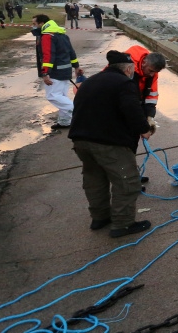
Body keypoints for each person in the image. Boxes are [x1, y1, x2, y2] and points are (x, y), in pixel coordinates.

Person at [69, 50, 153, 238]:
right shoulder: (124, 83)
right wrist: (144, 129)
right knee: (127, 180)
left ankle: (100, 217)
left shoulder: (91, 81)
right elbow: (132, 109)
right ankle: (123, 224)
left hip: (80, 140)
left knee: (94, 179)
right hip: (108, 142)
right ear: (129, 69)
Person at [32, 14, 83, 129]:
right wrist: (76, 66)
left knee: (53, 96)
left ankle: (78, 113)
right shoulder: (61, 34)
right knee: (62, 96)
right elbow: (71, 52)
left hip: (55, 72)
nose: (33, 26)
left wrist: (45, 73)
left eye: (34, 24)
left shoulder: (47, 36)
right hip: (65, 71)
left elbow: (48, 55)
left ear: (41, 24)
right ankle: (65, 122)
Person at [122, 46, 167, 121]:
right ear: (144, 63)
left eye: (155, 72)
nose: (152, 75)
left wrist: (149, 116)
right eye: (151, 71)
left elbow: (151, 97)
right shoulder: (126, 67)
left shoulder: (152, 71)